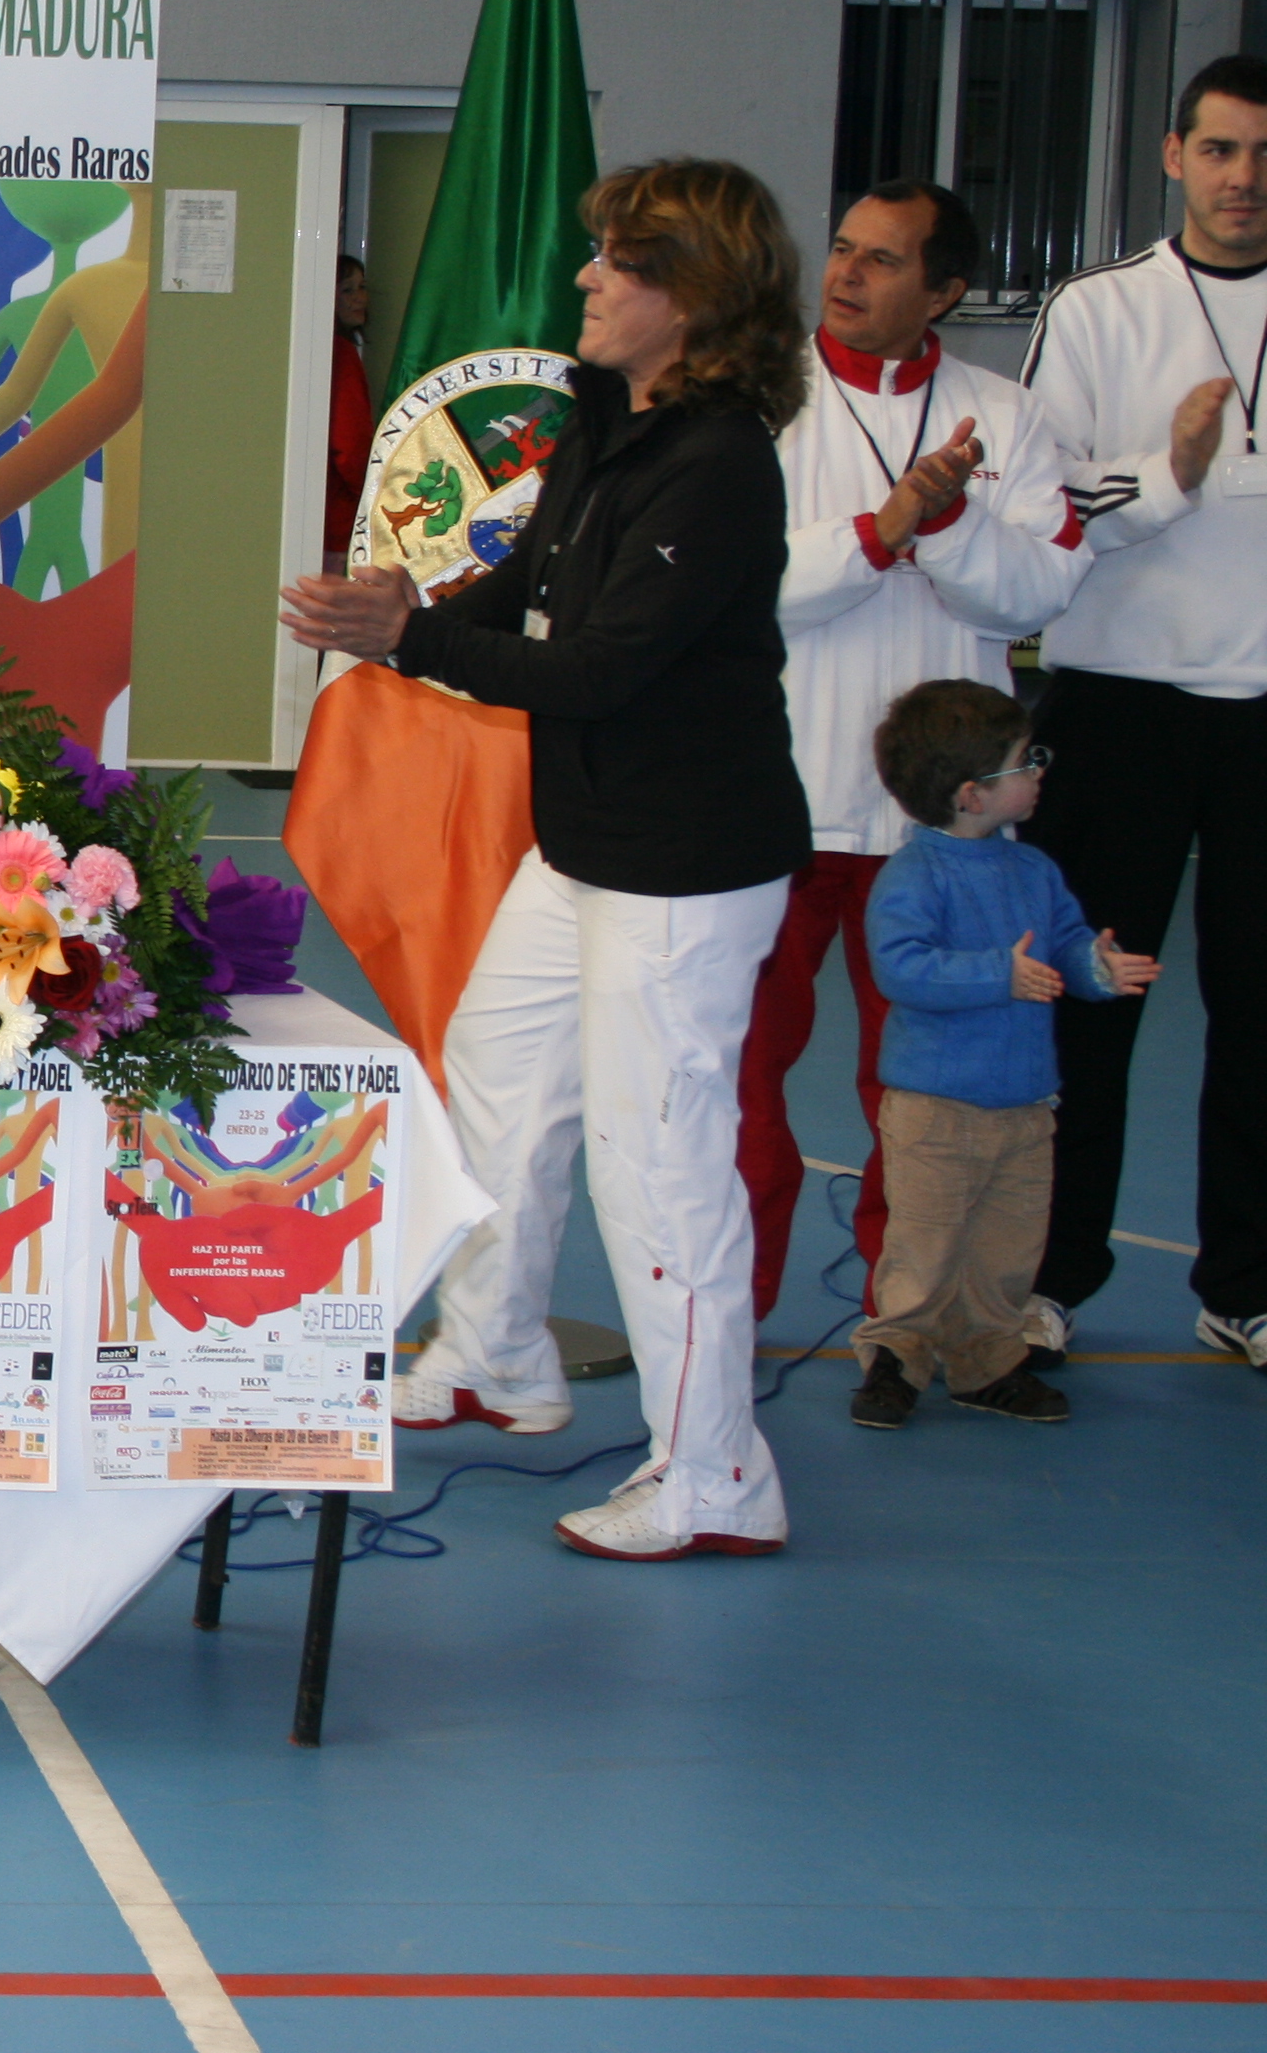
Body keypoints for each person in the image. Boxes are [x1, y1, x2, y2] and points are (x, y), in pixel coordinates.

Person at [281, 158, 812, 1561]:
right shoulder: (607, 417)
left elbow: (598, 669)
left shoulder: (717, 464)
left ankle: (716, 1474)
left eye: (618, 262)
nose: (587, 277)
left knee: (659, 1162)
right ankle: (495, 1351)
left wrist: (409, 641)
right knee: (498, 1073)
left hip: (685, 866)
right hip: (586, 843)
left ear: (691, 296)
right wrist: (416, 603)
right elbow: (536, 583)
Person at [738, 183, 1080, 1318]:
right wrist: (880, 534)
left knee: (933, 1098)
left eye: (882, 260)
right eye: (842, 249)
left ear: (945, 292)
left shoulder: (1007, 417)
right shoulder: (755, 396)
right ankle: (728, 1310)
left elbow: (1039, 591)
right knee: (738, 1081)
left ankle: (911, 1326)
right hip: (775, 805)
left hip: (945, 832)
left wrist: (951, 521)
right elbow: (734, 585)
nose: (845, 273)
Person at [1014, 55, 1267, 1372]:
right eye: (1220, 149)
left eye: (1265, 154)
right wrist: (1167, 472)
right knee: (1089, 1002)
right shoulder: (1099, 310)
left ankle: (1246, 1288)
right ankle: (1052, 1280)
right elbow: (1041, 503)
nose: (1244, 178)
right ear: (1173, 155)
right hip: (1120, 705)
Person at [851, 681, 1158, 1431]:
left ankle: (986, 1362)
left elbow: (1066, 942)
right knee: (924, 1246)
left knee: (1007, 1249)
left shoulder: (1034, 870)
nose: (1039, 771)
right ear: (972, 795)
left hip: (1025, 1106)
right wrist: (999, 974)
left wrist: (1096, 968)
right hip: (934, 1108)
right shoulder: (912, 876)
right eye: (1026, 761)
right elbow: (902, 968)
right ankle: (897, 1356)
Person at [323, 254, 376, 560]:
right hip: (340, 519)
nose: (359, 298)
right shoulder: (341, 354)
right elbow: (351, 444)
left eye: (362, 287)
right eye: (347, 290)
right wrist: (370, 495)